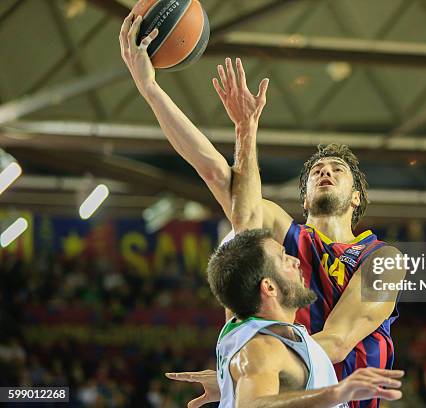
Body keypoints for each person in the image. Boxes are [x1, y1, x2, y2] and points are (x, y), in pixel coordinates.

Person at [119, 12, 404, 408]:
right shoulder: (282, 235)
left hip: (324, 394)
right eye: (317, 170)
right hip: (284, 391)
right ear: (303, 198)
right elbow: (215, 172)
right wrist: (151, 89)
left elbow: (336, 343)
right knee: (234, 201)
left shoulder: (383, 260)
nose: (325, 171)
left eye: (337, 170)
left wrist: (241, 369)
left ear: (356, 196)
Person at [168, 229, 404, 408]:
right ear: (269, 287)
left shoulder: (268, 333)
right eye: (283, 258)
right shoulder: (261, 348)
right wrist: (336, 393)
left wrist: (227, 382)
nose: (296, 261)